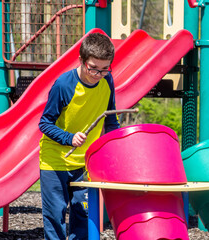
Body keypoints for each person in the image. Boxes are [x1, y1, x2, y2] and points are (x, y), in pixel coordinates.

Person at [38, 32, 120, 240]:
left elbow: (111, 121)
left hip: (85, 163)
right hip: (55, 161)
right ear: (82, 61)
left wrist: (119, 149)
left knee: (83, 216)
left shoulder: (107, 81)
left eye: (104, 69)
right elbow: (44, 123)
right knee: (55, 217)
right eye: (93, 68)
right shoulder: (64, 85)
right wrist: (69, 138)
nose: (98, 74)